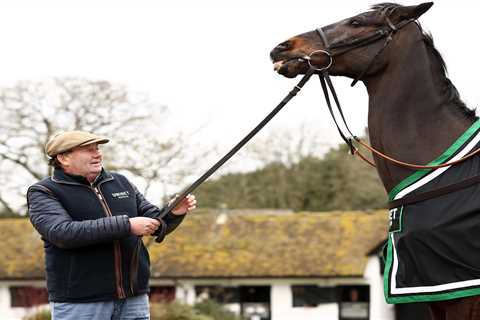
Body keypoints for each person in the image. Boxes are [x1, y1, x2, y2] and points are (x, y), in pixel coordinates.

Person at [27, 130, 197, 320]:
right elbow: (62, 233)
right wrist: (127, 226)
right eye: (88, 150)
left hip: (134, 299)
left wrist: (173, 212)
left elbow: (154, 222)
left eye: (97, 148)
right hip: (80, 303)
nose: (98, 154)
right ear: (63, 158)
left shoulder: (121, 182)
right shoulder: (43, 191)